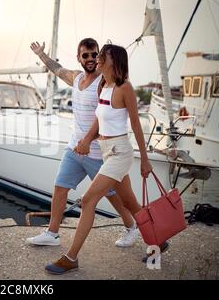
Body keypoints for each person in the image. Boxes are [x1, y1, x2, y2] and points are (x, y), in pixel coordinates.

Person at [45, 44, 169, 275]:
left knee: (88, 199)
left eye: (102, 56)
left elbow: (135, 125)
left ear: (114, 61)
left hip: (120, 153)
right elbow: (98, 120)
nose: (98, 58)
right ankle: (159, 242)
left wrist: (144, 160)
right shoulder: (104, 85)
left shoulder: (125, 88)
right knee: (132, 205)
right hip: (105, 151)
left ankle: (71, 257)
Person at [26, 38, 139, 249]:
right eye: (85, 55)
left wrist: (88, 141)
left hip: (99, 153)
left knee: (114, 196)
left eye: (94, 54)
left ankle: (131, 226)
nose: (90, 59)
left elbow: (104, 118)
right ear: (79, 57)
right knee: (60, 187)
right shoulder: (76, 78)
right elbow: (57, 69)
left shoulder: (103, 83)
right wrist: (41, 55)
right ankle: (52, 233)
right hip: (74, 149)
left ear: (99, 57)